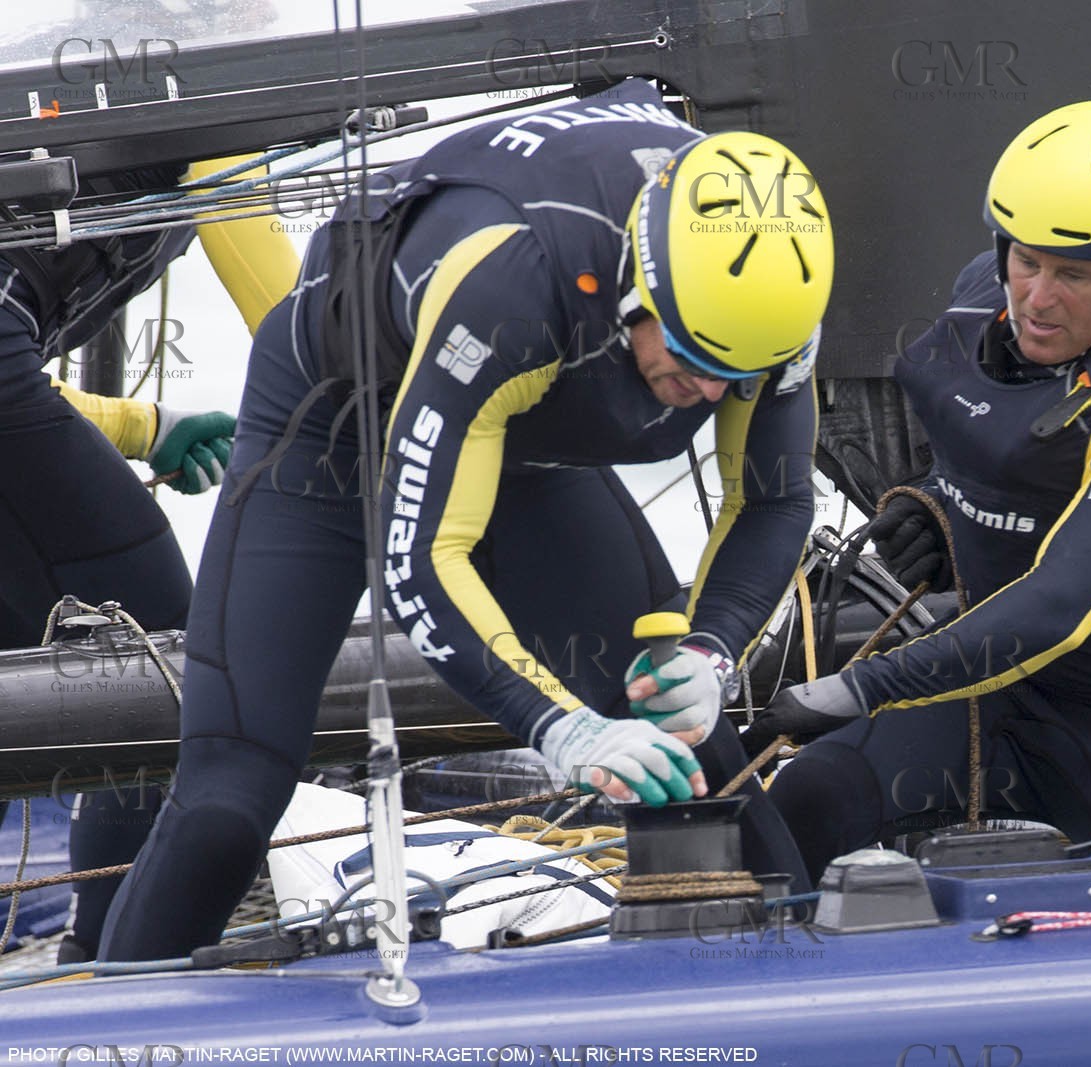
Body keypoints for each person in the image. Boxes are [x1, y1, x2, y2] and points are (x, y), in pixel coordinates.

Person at [99, 78, 832, 961]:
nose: (708, 392)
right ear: (635, 286)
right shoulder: (511, 279)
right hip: (332, 430)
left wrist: (714, 654)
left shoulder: (773, 299)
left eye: (737, 376)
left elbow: (777, 495)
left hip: (520, 441)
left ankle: (798, 989)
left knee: (691, 750)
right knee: (228, 801)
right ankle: (98, 1012)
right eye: (684, 356)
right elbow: (421, 557)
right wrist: (560, 727)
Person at [743, 100, 1091, 880]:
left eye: (1075, 275)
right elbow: (1000, 447)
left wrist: (861, 685)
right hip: (1005, 697)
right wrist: (935, 503)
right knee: (810, 799)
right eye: (1024, 260)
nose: (1035, 297)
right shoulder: (992, 301)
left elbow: (1060, 604)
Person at [0, 162, 242, 961]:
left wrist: (150, 422)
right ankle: (118, 972)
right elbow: (318, 319)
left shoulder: (87, 103)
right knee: (160, 665)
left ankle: (93, 968)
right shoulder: (233, 101)